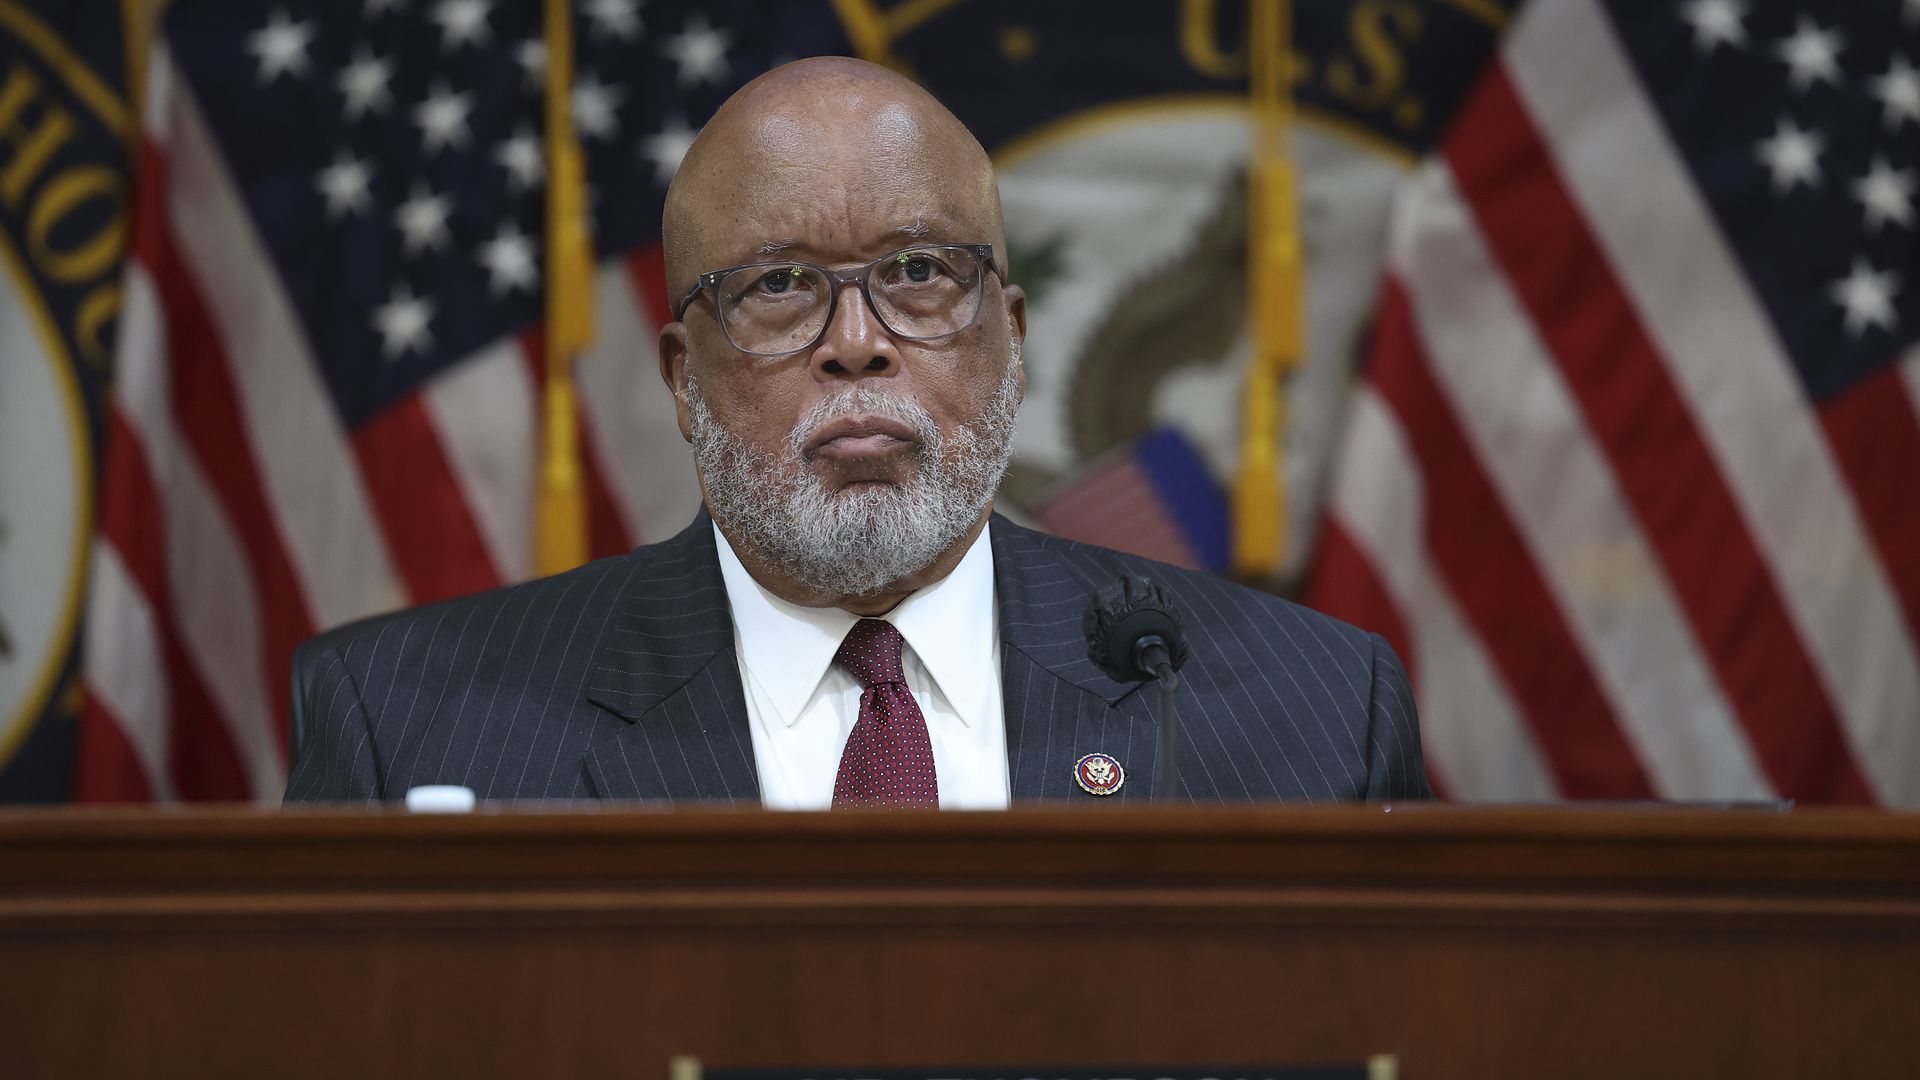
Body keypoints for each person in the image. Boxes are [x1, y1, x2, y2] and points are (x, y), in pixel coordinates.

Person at [285, 57, 1429, 807]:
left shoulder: (1317, 717)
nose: (858, 343)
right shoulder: (409, 729)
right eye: (780, 286)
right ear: (685, 378)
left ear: (1010, 340)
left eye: (922, 273)